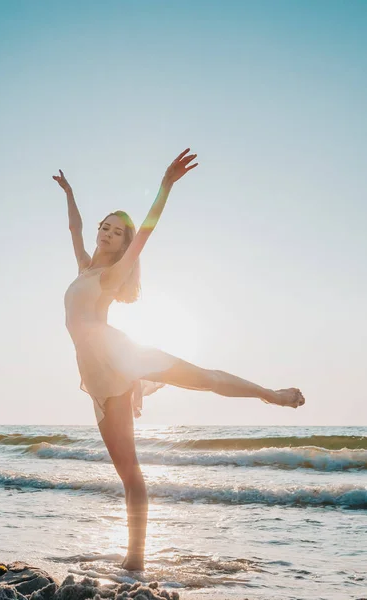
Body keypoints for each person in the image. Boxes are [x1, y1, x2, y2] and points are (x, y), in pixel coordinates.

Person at [53, 148, 305, 572]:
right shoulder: (83, 268)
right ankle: (133, 557)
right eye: (106, 227)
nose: (108, 234)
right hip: (96, 377)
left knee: (202, 377)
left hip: (121, 355)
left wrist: (165, 185)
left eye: (117, 232)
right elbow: (74, 227)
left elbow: (146, 233)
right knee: (128, 472)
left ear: (122, 245)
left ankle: (271, 395)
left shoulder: (111, 276)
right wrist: (70, 193)